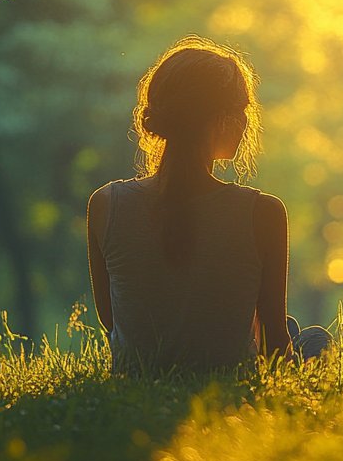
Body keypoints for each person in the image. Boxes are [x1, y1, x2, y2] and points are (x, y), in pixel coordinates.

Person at [86, 37, 328, 374]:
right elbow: (274, 339)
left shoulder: (105, 204)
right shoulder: (263, 213)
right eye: (242, 109)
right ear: (221, 119)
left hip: (138, 373)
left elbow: (113, 321)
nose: (246, 122)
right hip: (230, 375)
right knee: (313, 338)